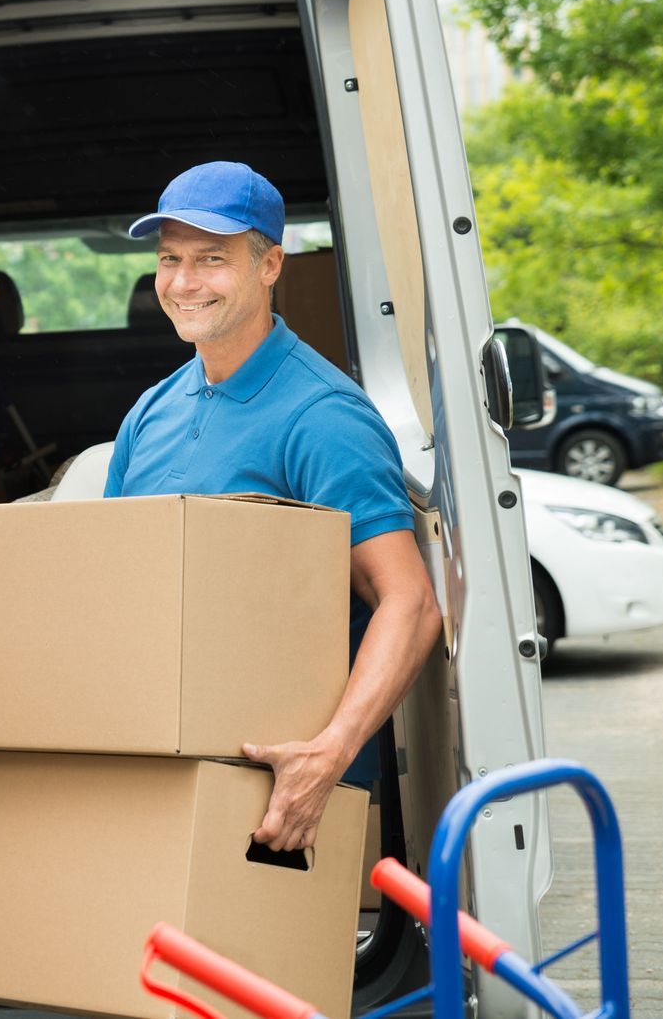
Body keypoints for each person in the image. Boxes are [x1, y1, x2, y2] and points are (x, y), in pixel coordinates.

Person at [104, 159, 443, 852]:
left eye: (211, 259)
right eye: (170, 259)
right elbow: (114, 585)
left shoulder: (323, 417)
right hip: (155, 763)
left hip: (274, 789)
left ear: (269, 265)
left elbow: (409, 603)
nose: (183, 282)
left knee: (256, 965)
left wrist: (328, 756)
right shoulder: (152, 410)